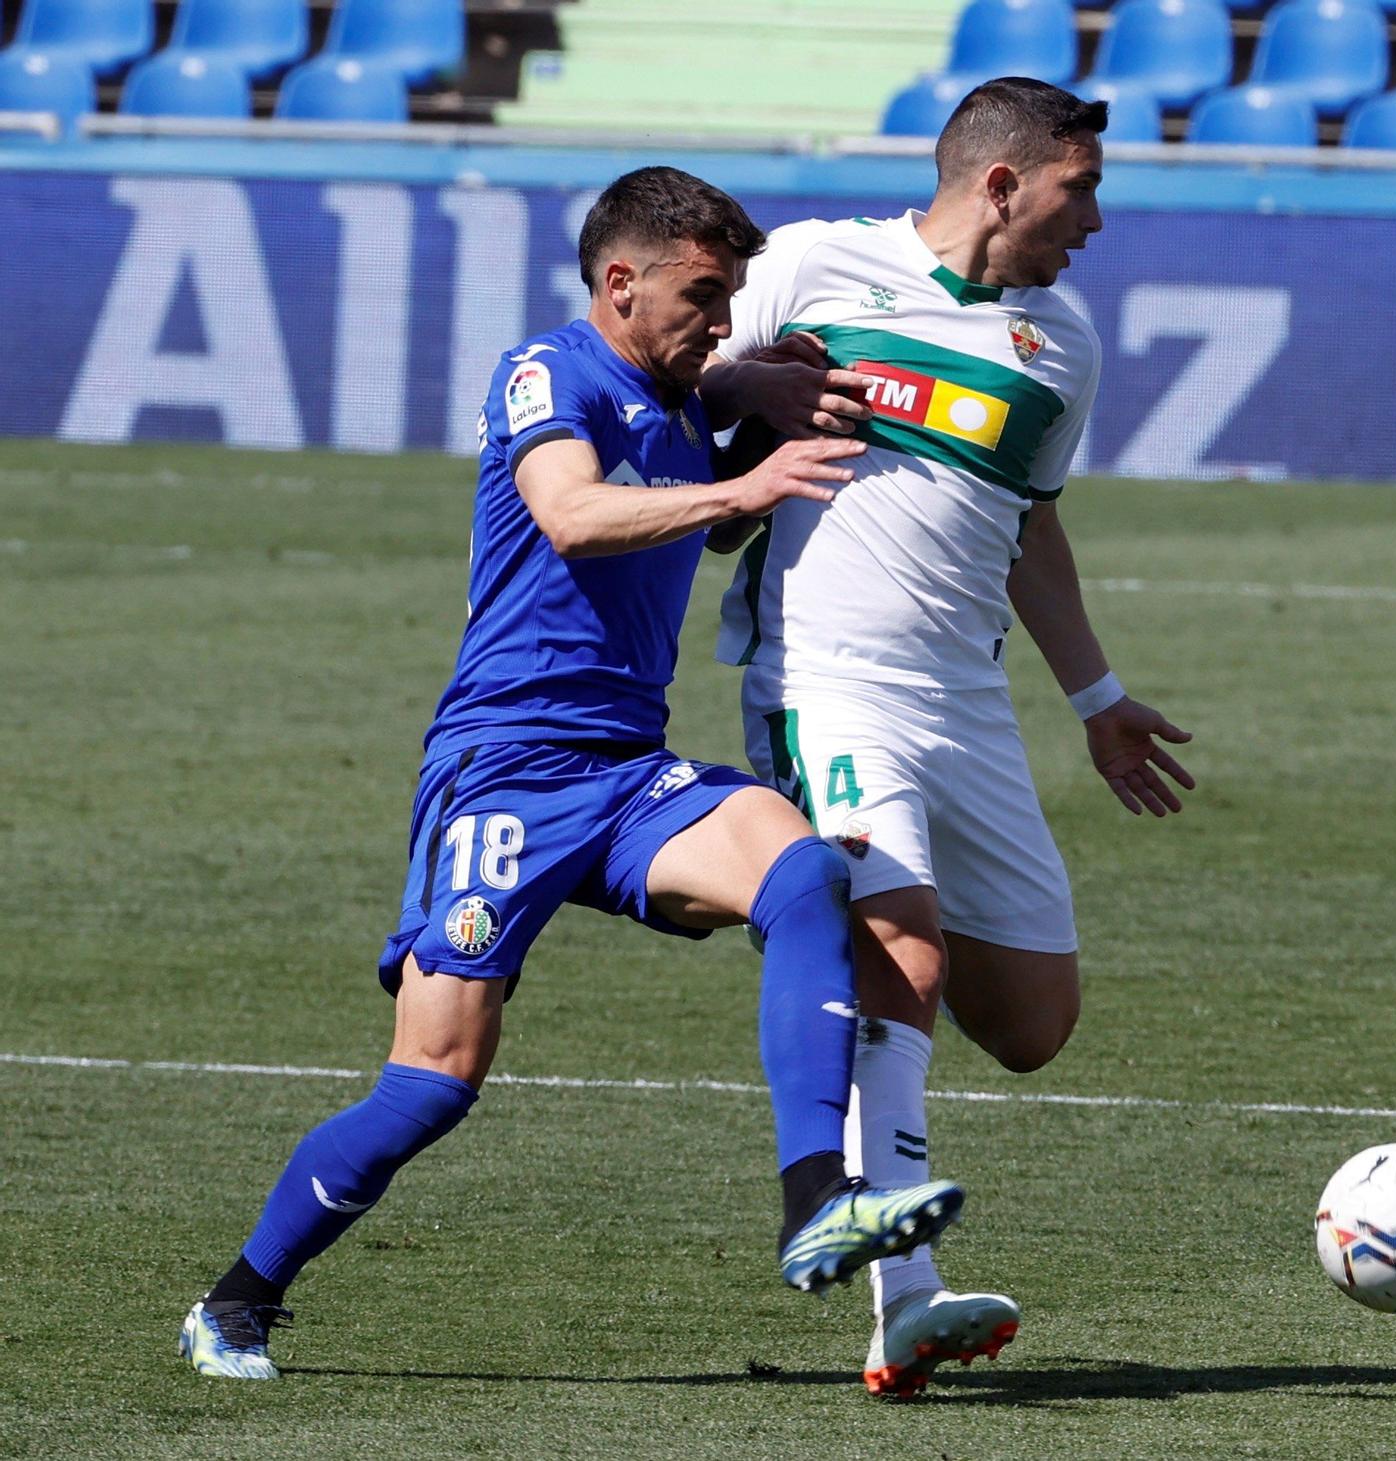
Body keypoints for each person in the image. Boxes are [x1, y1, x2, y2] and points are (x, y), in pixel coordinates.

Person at [177, 166, 965, 1381]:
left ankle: (819, 1193)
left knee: (803, 872)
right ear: (617, 283)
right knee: (434, 1081)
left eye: (733, 293)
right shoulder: (547, 369)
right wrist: (748, 470)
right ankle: (237, 1299)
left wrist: (773, 407)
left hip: (625, 770)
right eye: (704, 294)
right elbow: (572, 516)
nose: (720, 317)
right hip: (501, 771)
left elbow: (706, 509)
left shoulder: (684, 393)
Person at [705, 79, 1196, 1398]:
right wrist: (747, 382)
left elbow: (1030, 524)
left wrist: (1096, 701)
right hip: (825, 676)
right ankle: (901, 1300)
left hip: (965, 702)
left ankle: (839, 1001)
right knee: (904, 944)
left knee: (1033, 1022)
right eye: (1078, 191)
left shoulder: (1064, 347)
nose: (1092, 220)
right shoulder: (815, 265)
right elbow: (661, 367)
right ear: (1000, 184)